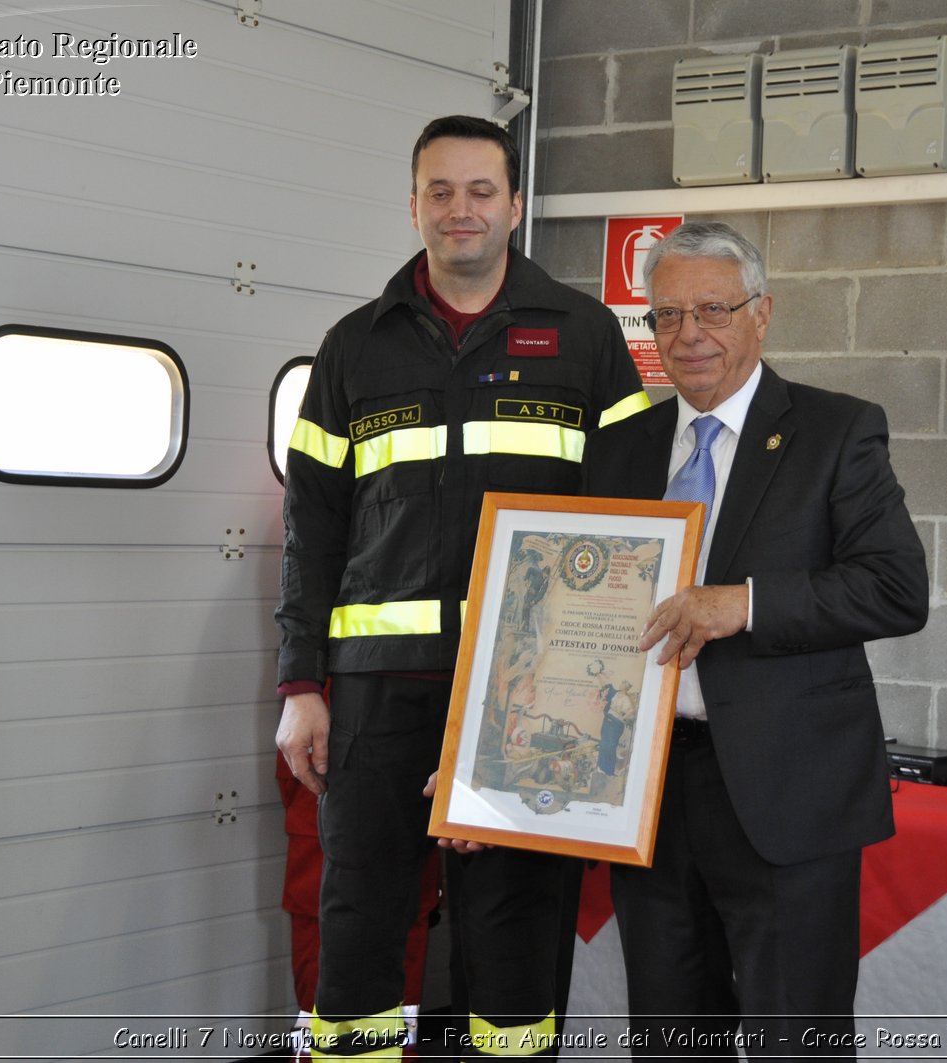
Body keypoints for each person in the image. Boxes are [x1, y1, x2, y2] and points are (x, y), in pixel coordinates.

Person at [274, 114, 651, 1060]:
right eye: (439, 191)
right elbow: (311, 531)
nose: (460, 210)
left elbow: (626, 525)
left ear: (515, 205)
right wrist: (301, 686)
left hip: (530, 702)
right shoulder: (353, 347)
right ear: (412, 205)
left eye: (481, 191)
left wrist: (564, 697)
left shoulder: (586, 337)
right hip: (376, 695)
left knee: (514, 942)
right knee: (358, 933)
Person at [582, 221, 929, 1056]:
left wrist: (743, 604)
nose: (688, 334)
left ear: (761, 313)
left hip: (787, 796)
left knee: (794, 1041)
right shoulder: (619, 449)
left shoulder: (837, 431)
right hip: (651, 797)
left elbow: (896, 588)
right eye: (666, 315)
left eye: (713, 309)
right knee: (670, 1039)